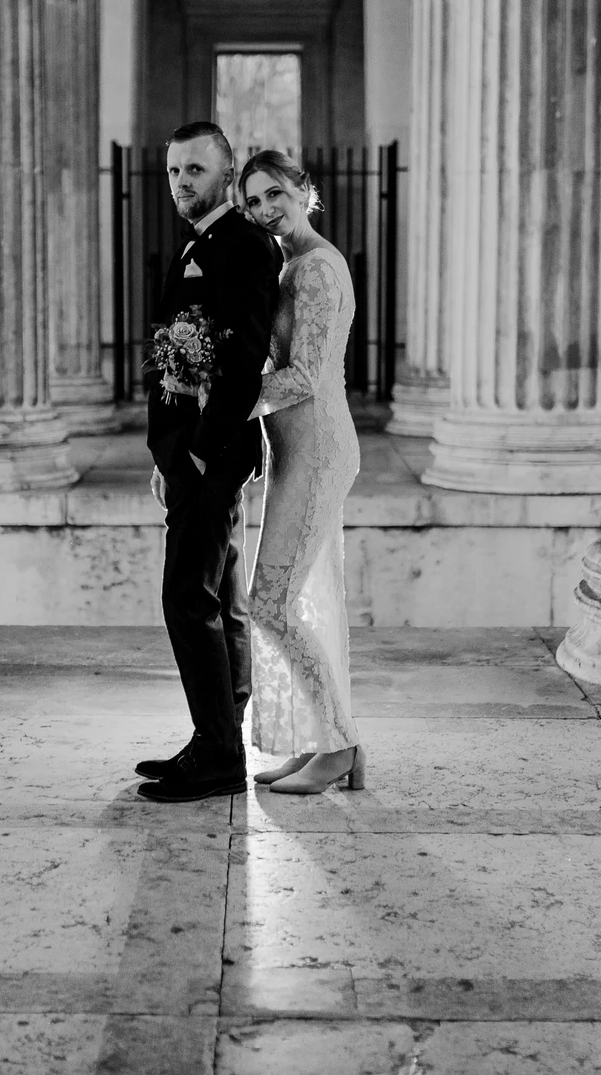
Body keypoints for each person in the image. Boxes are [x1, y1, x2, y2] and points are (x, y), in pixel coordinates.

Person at [135, 122, 282, 803]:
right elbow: (174, 353)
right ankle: (218, 736)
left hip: (212, 455)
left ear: (225, 175)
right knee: (221, 598)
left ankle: (221, 753)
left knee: (186, 598)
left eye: (194, 169)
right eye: (172, 171)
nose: (180, 181)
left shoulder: (244, 246)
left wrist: (195, 450)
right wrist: (163, 453)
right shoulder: (197, 246)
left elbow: (245, 357)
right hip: (188, 456)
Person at [237, 149, 364, 795]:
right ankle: (324, 737)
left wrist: (228, 396)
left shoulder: (314, 270)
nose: (265, 209)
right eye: (253, 200)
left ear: (304, 189)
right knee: (295, 601)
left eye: (275, 194)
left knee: (270, 603)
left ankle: (337, 745)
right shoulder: (291, 264)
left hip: (316, 451)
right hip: (298, 451)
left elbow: (305, 376)